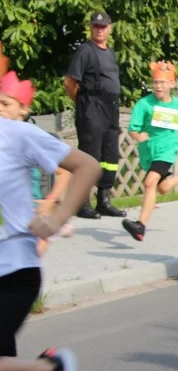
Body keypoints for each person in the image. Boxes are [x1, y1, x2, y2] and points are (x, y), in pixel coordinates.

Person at [0, 71, 101, 371]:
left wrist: (57, 218)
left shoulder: (15, 134)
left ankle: (49, 370)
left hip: (12, 271)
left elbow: (87, 167)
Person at [121, 62, 178, 242]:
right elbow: (132, 129)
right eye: (156, 82)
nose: (158, 86)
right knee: (163, 188)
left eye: (162, 82)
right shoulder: (144, 104)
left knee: (150, 182)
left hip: (167, 149)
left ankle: (140, 226)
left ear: (172, 84)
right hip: (149, 151)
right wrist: (137, 136)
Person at [0, 73, 74, 256]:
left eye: (6, 104)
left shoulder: (30, 137)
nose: (0, 109)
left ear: (23, 109)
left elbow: (64, 171)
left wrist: (51, 202)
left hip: (32, 212)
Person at [63, 12, 126, 219]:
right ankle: (81, 204)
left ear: (110, 28)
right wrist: (83, 104)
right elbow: (69, 83)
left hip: (110, 109)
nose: (100, 29)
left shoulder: (110, 52)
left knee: (110, 156)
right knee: (90, 156)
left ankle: (104, 200)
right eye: (96, 26)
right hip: (91, 107)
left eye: (103, 26)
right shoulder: (85, 51)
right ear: (91, 27)